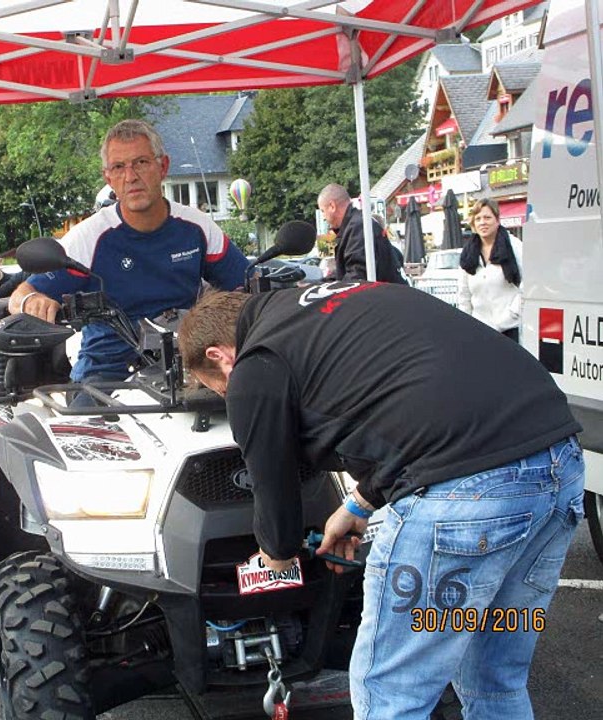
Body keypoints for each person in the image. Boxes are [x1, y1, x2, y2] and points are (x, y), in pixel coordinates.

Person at [177, 284, 584, 720]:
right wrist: (358, 505)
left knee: (391, 691)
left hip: (466, 506)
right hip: (559, 475)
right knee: (495, 678)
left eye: (217, 388)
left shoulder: (255, 365)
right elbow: (412, 405)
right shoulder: (337, 303)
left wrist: (275, 557)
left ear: (221, 355)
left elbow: (273, 491)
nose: (225, 394)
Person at [8, 118, 247, 383]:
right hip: (106, 373)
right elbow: (19, 296)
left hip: (189, 368)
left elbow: (246, 284)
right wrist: (32, 302)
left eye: (141, 163)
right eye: (119, 167)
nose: (131, 176)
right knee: (80, 421)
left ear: (163, 166)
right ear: (108, 178)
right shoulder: (88, 238)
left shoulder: (197, 227)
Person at [458, 198, 523, 341]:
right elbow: (464, 295)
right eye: (478, 218)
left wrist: (512, 314)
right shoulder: (469, 253)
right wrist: (466, 325)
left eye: (487, 217)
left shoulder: (514, 246)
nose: (483, 222)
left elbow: (528, 284)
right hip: (479, 331)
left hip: (510, 329)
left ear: (497, 220)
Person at [317, 184, 406, 284]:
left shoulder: (358, 227)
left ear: (332, 206)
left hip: (383, 296)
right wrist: (318, 285)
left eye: (323, 211)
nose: (324, 217)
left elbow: (357, 278)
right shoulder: (358, 224)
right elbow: (343, 274)